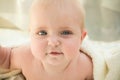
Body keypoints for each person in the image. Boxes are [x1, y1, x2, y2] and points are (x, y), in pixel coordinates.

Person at [0, 0, 93, 80]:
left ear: (81, 38)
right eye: (42, 33)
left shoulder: (85, 66)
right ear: (31, 34)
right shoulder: (25, 57)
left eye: (65, 33)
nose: (53, 42)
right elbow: (5, 59)